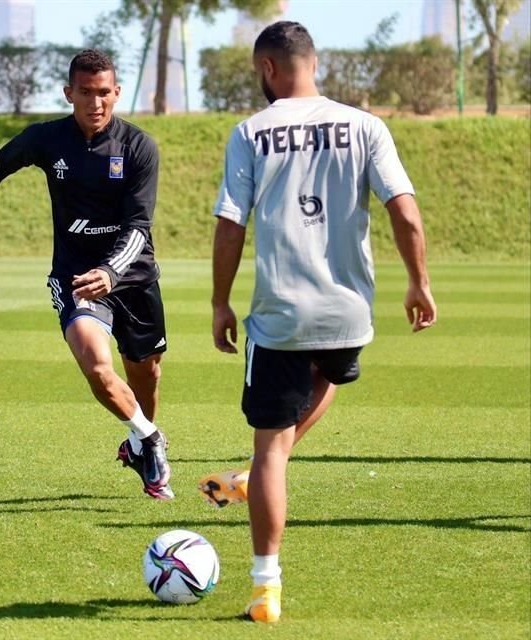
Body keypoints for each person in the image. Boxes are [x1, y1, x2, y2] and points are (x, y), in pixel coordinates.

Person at [198, 21, 437, 623]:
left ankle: (263, 587)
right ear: (314, 62)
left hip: (281, 316)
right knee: (326, 377)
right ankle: (250, 478)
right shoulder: (366, 126)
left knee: (271, 450)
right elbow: (404, 212)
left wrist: (220, 301)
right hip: (348, 312)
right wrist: (419, 282)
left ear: (270, 69)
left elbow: (231, 224)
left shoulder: (251, 132)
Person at [0, 49, 173, 499]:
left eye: (103, 93)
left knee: (146, 374)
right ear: (68, 93)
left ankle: (140, 440)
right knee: (97, 367)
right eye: (85, 93)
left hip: (132, 277)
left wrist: (111, 272)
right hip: (75, 276)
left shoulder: (138, 147)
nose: (95, 103)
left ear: (116, 93)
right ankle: (151, 438)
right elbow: (4, 159)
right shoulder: (49, 138)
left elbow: (139, 227)